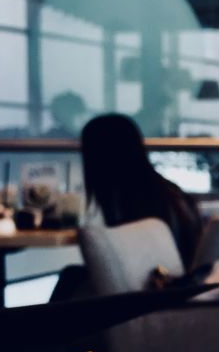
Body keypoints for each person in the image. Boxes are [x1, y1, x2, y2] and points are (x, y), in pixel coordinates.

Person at [80, 114, 203, 268]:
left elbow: (130, 267)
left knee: (70, 277)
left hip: (158, 288)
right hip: (184, 283)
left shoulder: (131, 203)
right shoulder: (166, 192)